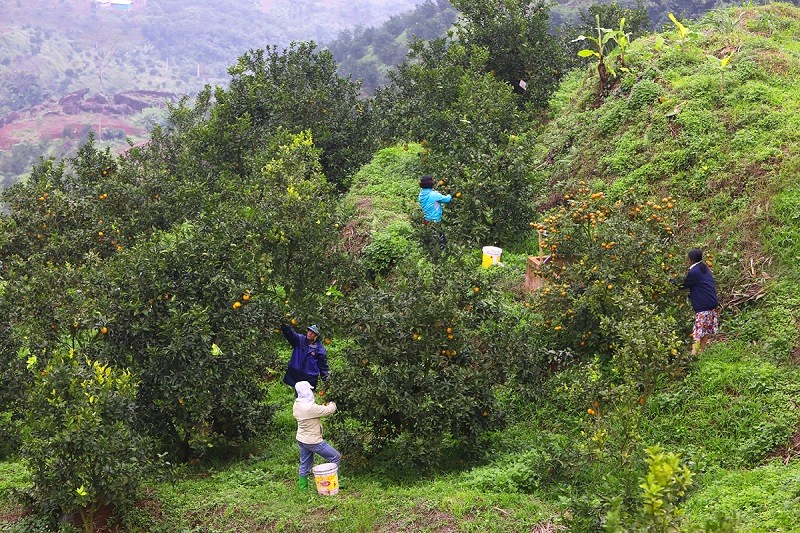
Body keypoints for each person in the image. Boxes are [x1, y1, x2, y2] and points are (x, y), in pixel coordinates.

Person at [293, 380, 341, 490]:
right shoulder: (310, 408)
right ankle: (334, 482)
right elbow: (329, 410)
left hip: (301, 439)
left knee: (305, 462)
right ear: (306, 392)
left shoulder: (297, 404)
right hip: (313, 441)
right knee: (335, 457)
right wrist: (332, 402)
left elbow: (316, 410)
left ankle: (303, 487)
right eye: (309, 390)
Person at [677, 248, 719, 354]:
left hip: (703, 307)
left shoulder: (694, 271)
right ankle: (701, 353)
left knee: (697, 333)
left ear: (690, 260)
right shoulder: (704, 268)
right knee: (706, 331)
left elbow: (683, 284)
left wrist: (670, 281)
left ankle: (693, 355)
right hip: (711, 305)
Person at [282, 323, 329, 390]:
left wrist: (326, 379)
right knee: (298, 395)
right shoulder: (300, 340)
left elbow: (323, 366)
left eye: (313, 333)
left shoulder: (320, 349)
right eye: (309, 331)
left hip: (309, 378)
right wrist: (285, 325)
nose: (310, 333)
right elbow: (290, 334)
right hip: (296, 374)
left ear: (317, 336)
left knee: (307, 397)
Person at [418, 174, 452, 250]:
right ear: (431, 183)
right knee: (441, 242)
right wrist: (451, 194)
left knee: (431, 240)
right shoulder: (434, 195)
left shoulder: (421, 194)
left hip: (426, 220)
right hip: (435, 221)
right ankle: (441, 256)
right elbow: (447, 199)